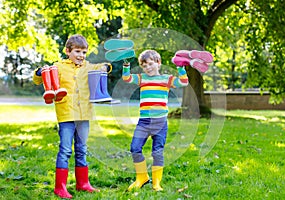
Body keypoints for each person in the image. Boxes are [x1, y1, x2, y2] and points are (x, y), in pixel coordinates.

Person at [33, 34, 109, 199]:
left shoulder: (88, 66)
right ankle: (60, 187)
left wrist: (105, 67)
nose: (81, 55)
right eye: (77, 51)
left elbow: (103, 68)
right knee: (66, 150)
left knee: (82, 149)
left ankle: (83, 183)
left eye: (84, 52)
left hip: (84, 115)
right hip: (66, 115)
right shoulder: (59, 66)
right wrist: (39, 72)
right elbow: (39, 79)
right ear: (67, 51)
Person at [122, 50, 189, 191]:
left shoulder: (166, 79)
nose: (148, 68)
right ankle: (142, 178)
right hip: (144, 122)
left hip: (160, 122)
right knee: (135, 148)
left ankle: (156, 183)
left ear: (158, 63)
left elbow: (183, 82)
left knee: (157, 152)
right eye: (145, 66)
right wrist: (126, 64)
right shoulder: (142, 78)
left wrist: (181, 68)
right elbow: (127, 78)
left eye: (151, 64)